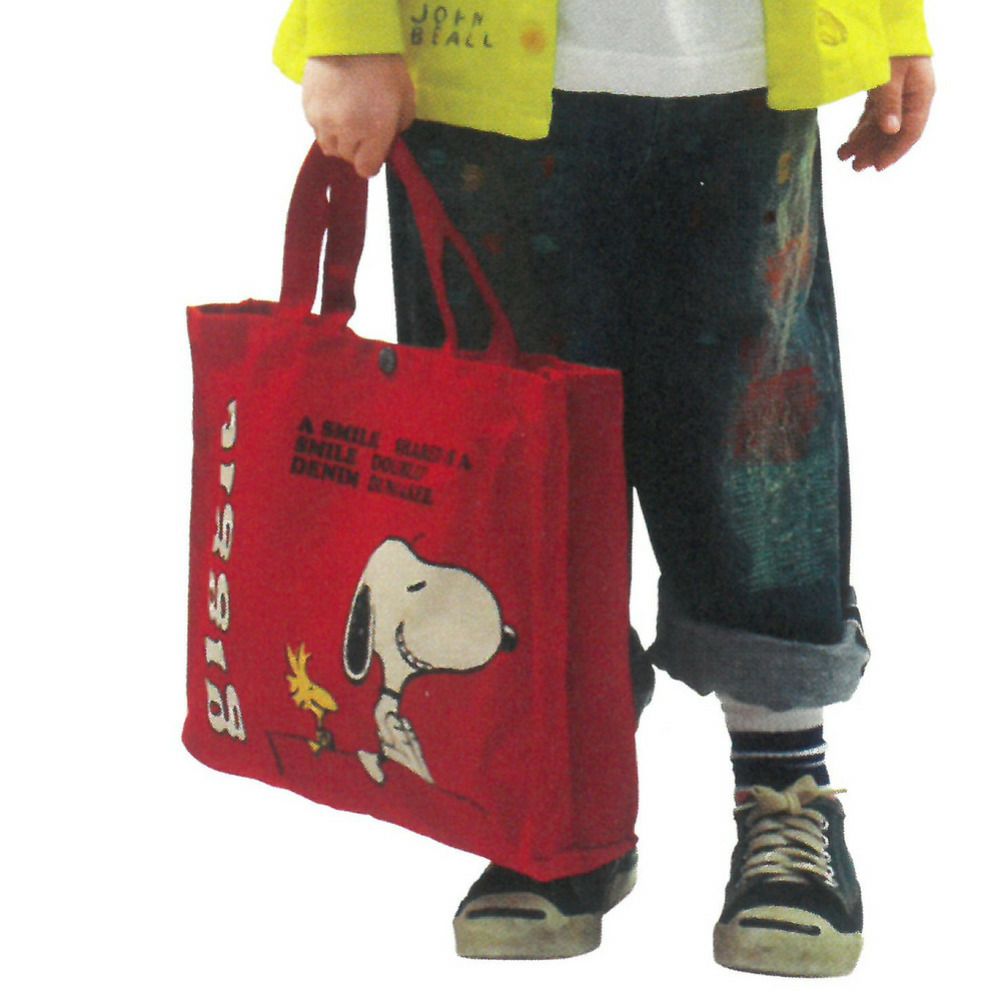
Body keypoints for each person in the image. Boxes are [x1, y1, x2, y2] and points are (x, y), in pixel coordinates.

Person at [272, 0, 935, 977]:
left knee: (763, 444)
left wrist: (895, 20)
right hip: (479, 77)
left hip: (746, 70)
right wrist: (347, 27)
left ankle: (784, 779)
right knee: (515, 468)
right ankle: (556, 789)